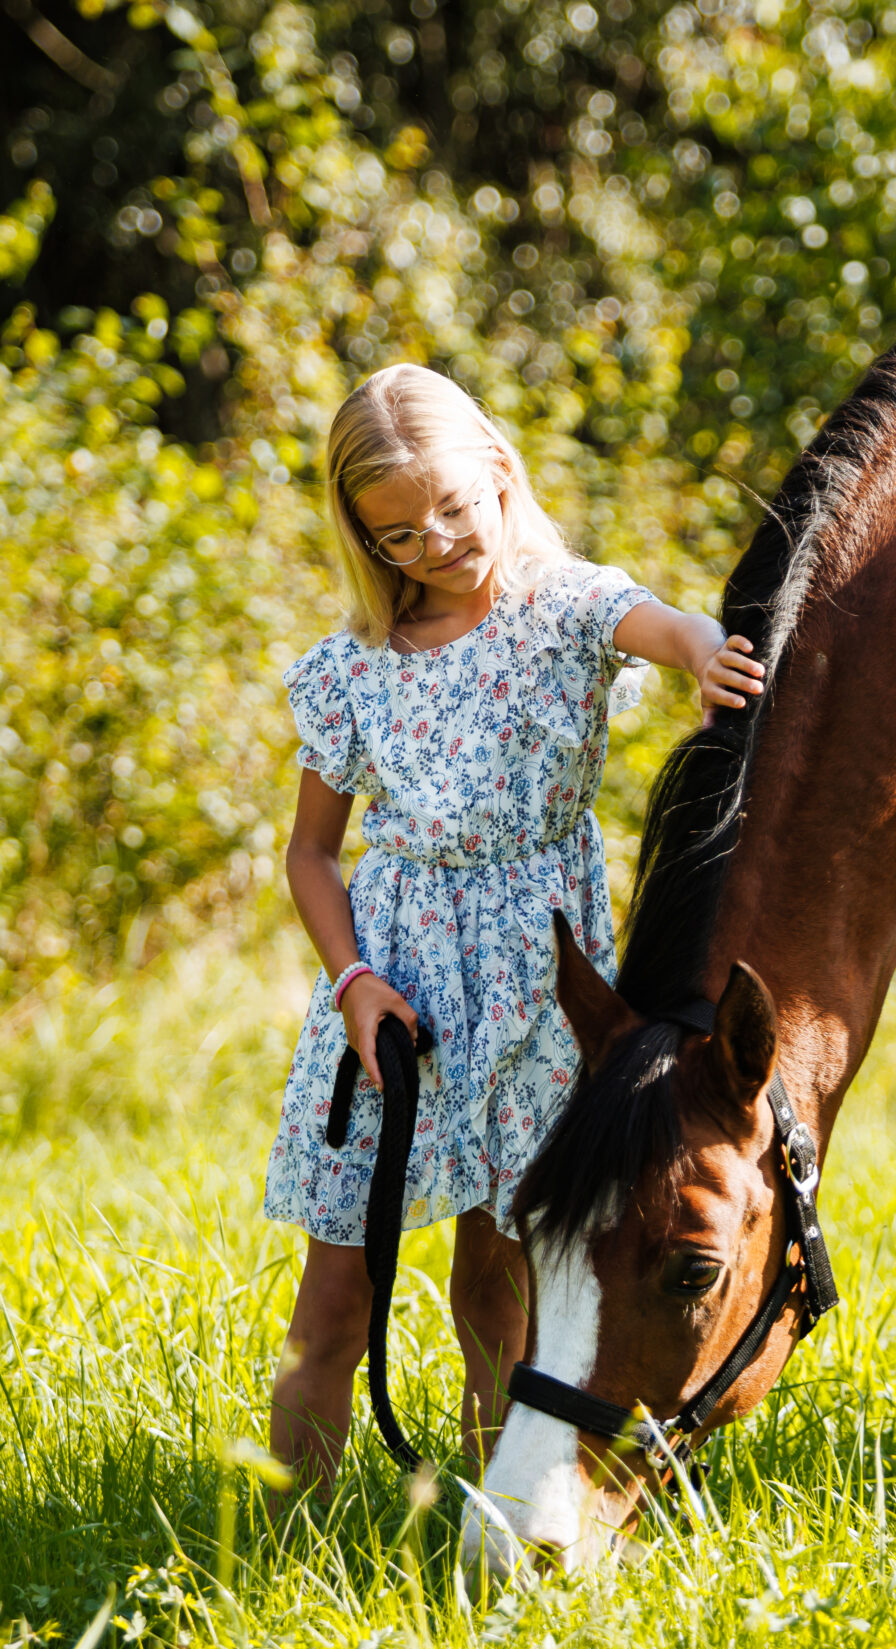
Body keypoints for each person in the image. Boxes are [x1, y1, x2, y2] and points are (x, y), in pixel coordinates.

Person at [265, 363, 765, 1499]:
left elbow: (665, 626)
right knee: (334, 1297)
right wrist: (352, 982)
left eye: (451, 508)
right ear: (362, 537)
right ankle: (282, 1547)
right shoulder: (352, 669)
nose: (434, 545)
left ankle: (500, 1525)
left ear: (498, 469)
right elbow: (309, 855)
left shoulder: (563, 609)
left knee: (504, 1286)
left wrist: (706, 654)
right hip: (393, 1002)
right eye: (396, 535)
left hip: (540, 996)